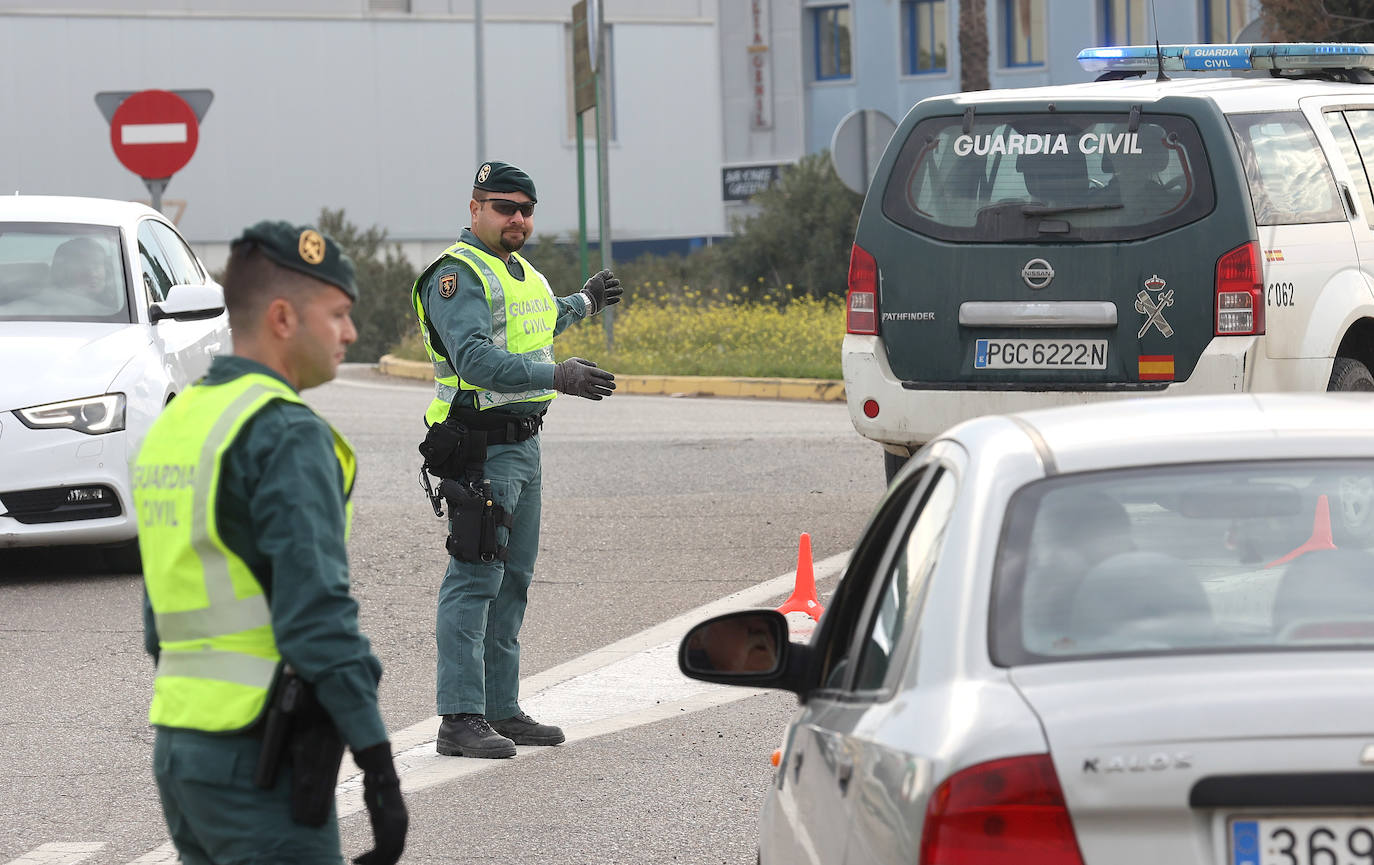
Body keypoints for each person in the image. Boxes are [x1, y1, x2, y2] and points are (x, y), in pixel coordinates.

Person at [133, 221, 407, 865]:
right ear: (283, 318)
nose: (351, 334)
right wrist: (377, 765)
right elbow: (317, 618)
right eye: (338, 314)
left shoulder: (180, 422)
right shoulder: (284, 433)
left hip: (181, 751)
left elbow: (158, 622)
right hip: (260, 760)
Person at [411, 160, 621, 759]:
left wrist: (584, 301)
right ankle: (459, 717)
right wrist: (559, 374)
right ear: (475, 208)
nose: (517, 219)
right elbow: (476, 358)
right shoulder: (456, 276)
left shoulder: (518, 270)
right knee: (474, 578)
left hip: (523, 444)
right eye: (504, 208)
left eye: (525, 210)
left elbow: (536, 320)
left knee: (513, 581)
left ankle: (501, 709)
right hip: (480, 446)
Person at [50, 236, 117, 307]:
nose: (92, 274)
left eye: (96, 265)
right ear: (63, 273)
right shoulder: (47, 309)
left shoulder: (120, 302)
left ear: (106, 270)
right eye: (83, 267)